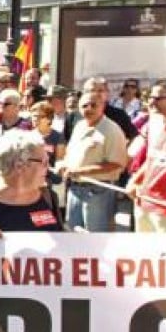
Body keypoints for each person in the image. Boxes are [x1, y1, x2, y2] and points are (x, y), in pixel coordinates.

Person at [58, 94, 128, 232]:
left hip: (98, 191)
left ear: (103, 106)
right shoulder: (79, 126)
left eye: (93, 105)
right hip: (75, 188)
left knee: (96, 237)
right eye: (84, 105)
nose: (89, 108)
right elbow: (70, 154)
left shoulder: (112, 130)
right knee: (73, 233)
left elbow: (117, 163)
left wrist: (80, 171)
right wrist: (64, 165)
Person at [125, 80, 166, 232]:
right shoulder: (158, 124)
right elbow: (152, 159)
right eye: (151, 97)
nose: (152, 102)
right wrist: (135, 180)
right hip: (145, 203)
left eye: (158, 98)